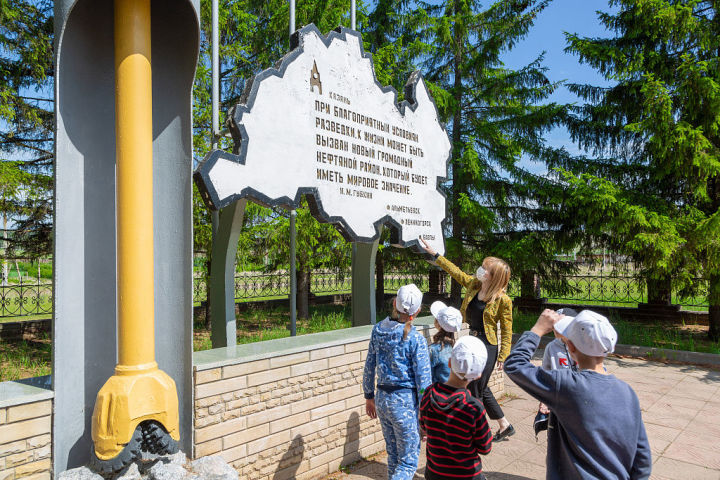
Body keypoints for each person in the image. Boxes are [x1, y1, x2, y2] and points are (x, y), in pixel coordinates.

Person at [504, 309, 652, 480]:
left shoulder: (566, 386)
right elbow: (642, 457)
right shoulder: (628, 392)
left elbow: (515, 365)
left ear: (571, 347)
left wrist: (537, 329)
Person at [419, 237, 514, 441]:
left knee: (475, 391)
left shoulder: (503, 300)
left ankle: (475, 435)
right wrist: (436, 255)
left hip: (488, 346)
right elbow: (456, 272)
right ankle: (504, 425)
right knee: (481, 386)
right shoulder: (474, 284)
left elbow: (506, 329)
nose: (480, 270)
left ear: (493, 276)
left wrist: (503, 355)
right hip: (473, 339)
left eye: (485, 268)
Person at [362, 284, 432, 480]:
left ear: (394, 303)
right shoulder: (416, 339)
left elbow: (369, 366)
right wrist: (425, 415)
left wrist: (369, 396)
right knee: (408, 461)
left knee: (394, 456)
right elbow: (424, 382)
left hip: (383, 400)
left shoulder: (378, 331)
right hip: (405, 404)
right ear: (418, 311)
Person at [420, 335, 493, 480]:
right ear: (478, 375)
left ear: (449, 363)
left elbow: (423, 426)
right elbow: (485, 447)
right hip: (466, 475)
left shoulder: (428, 393)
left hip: (434, 472)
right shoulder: (473, 408)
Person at [534, 307, 578, 437]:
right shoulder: (551, 347)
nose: (555, 328)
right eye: (554, 325)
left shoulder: (583, 345)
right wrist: (544, 400)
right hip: (558, 402)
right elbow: (545, 376)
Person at [428, 300, 463, 383]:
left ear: (438, 324)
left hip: (438, 393)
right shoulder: (460, 348)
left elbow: (427, 378)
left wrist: (422, 393)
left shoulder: (433, 350)